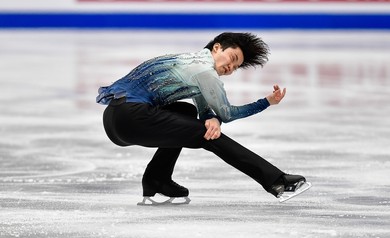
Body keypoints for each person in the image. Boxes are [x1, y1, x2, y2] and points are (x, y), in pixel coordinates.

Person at [97, 32, 311, 205]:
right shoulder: (205, 72)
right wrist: (265, 102)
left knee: (185, 113)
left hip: (115, 118)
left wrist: (212, 117)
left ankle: (157, 179)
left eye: (236, 68)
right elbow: (227, 114)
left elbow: (203, 108)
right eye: (233, 59)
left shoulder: (189, 61)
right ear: (217, 47)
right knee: (208, 136)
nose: (231, 68)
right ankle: (276, 181)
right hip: (132, 118)